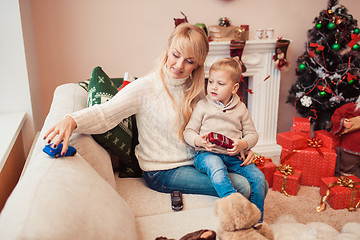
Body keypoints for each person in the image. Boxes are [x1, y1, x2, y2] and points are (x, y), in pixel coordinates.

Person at [43, 23, 256, 199]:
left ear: (197, 66)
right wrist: (71, 120)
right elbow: (106, 114)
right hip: (162, 172)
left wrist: (242, 145)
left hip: (198, 160)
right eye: (176, 54)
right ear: (167, 49)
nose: (179, 65)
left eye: (189, 61)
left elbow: (217, 125)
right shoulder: (145, 87)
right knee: (241, 186)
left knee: (252, 178)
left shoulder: (197, 92)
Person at [183, 57, 267, 222]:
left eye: (220, 84)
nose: (213, 87)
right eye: (211, 81)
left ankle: (257, 221)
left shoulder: (241, 109)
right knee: (217, 167)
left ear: (234, 87)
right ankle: (235, 206)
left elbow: (252, 135)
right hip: (207, 155)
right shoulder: (203, 106)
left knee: (258, 178)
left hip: (234, 157)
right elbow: (188, 131)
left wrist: (243, 144)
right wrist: (199, 141)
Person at [331, 95, 360, 178]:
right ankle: (344, 186)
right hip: (352, 146)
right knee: (347, 170)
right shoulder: (352, 107)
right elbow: (337, 114)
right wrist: (342, 122)